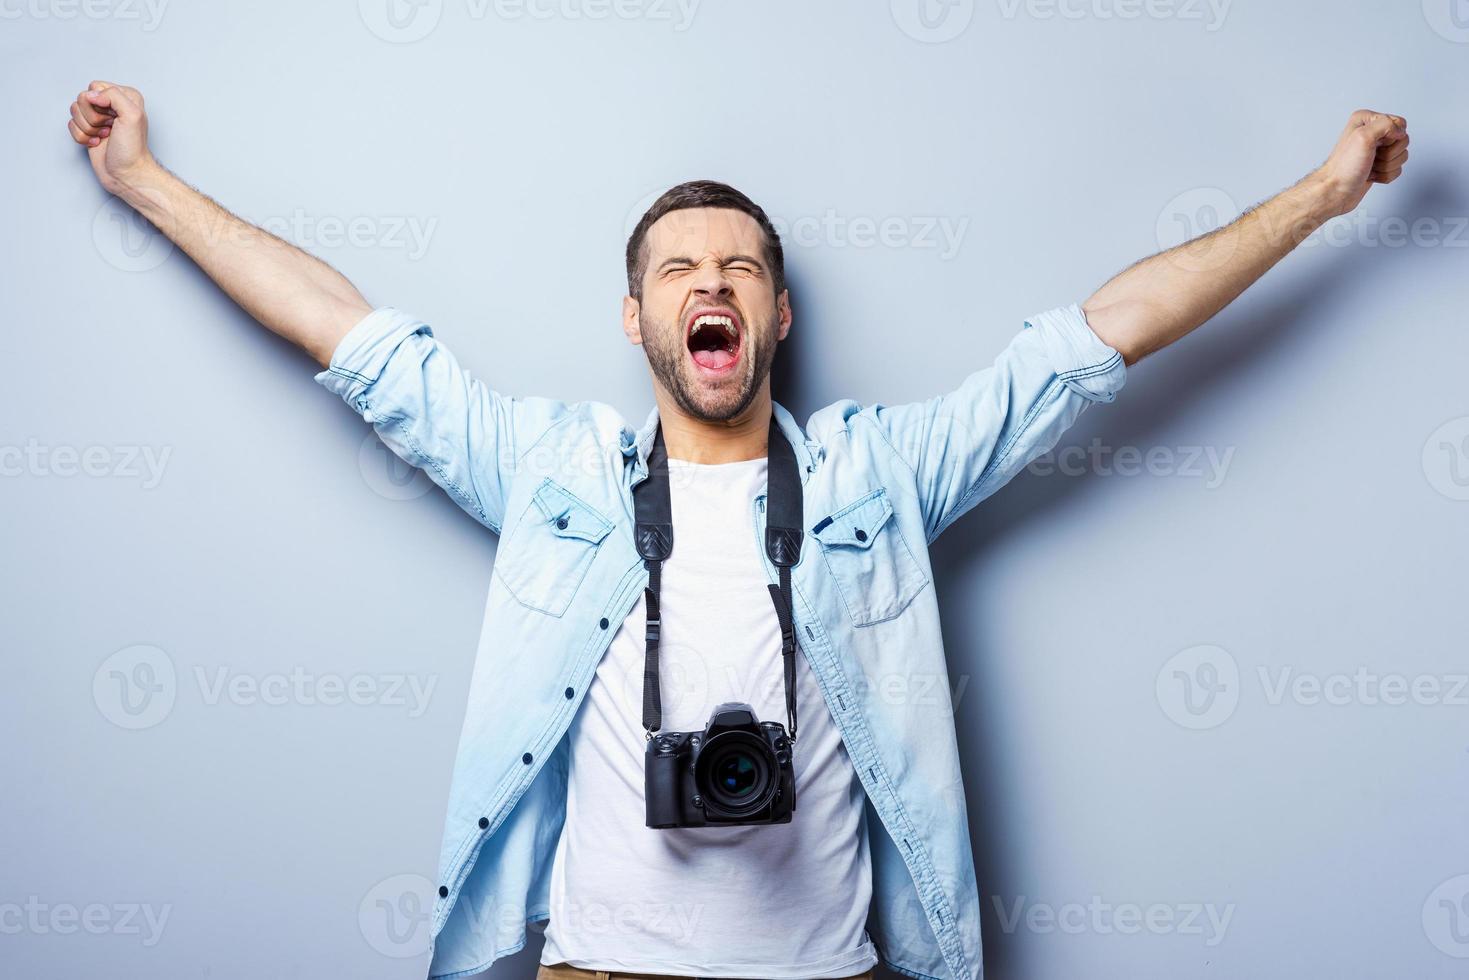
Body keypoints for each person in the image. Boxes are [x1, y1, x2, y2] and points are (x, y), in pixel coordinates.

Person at [67, 80, 1407, 980]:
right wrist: (139, 181)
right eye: (675, 271)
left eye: (739, 270)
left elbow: (1090, 344)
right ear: (637, 320)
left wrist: (1323, 192)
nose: (707, 283)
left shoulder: (881, 477)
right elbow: (341, 329)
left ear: (772, 320)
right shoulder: (555, 473)